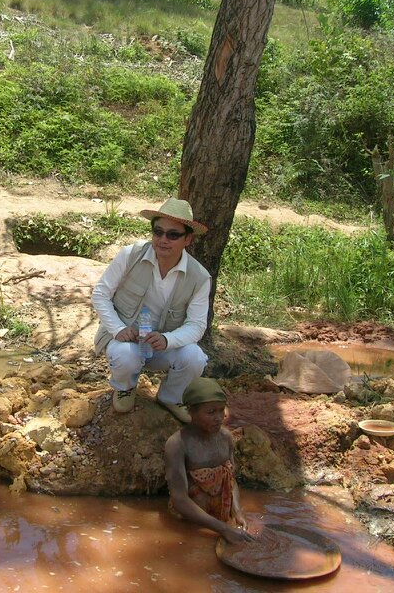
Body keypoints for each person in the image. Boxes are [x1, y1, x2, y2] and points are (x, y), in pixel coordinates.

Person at [91, 198, 210, 423]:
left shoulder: (200, 277)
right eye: (158, 232)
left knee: (195, 358)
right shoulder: (131, 255)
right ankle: (125, 388)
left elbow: (197, 325)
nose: (163, 240)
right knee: (125, 356)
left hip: (162, 346)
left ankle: (171, 397)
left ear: (188, 239)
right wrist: (118, 328)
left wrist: (167, 340)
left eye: (173, 235)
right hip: (126, 340)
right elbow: (100, 294)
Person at [164, 377, 254, 545]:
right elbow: (179, 500)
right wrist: (223, 529)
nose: (219, 417)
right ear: (191, 412)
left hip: (221, 519)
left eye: (221, 410)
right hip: (190, 520)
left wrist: (237, 512)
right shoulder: (177, 444)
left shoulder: (225, 437)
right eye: (211, 412)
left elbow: (230, 480)